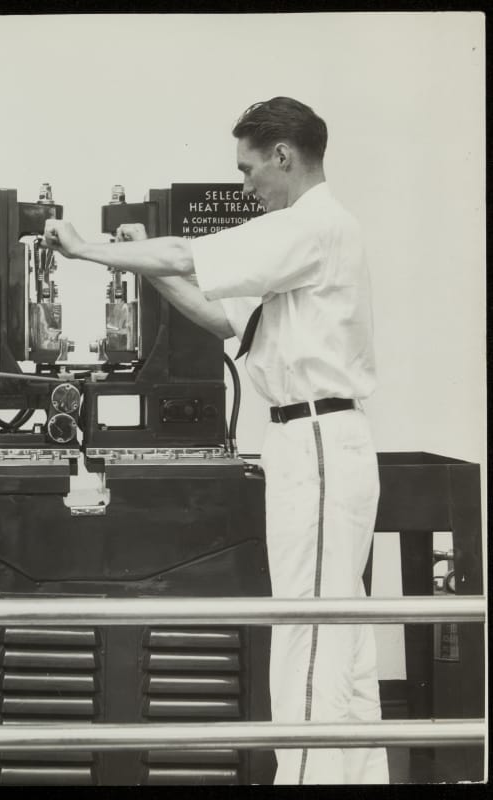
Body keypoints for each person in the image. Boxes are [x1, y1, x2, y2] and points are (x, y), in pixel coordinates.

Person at [42, 97, 388, 785]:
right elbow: (222, 318)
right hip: (311, 440)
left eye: (248, 169)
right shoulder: (309, 237)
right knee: (339, 641)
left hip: (317, 441)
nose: (245, 185)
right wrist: (145, 264)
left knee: (309, 636)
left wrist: (87, 249)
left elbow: (185, 254)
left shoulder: (311, 225)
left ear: (283, 156)